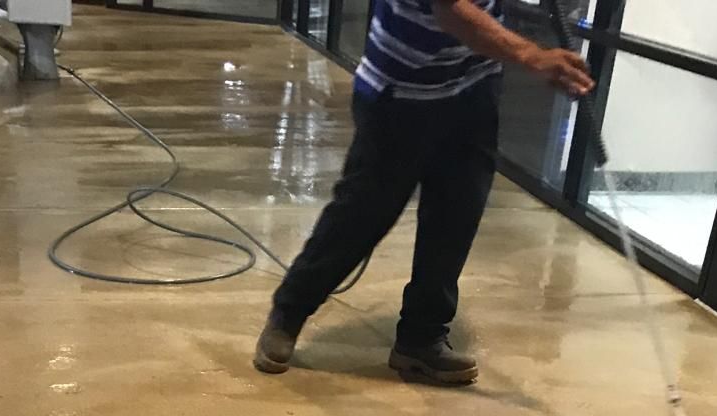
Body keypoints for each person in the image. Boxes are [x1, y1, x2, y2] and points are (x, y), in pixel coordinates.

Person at [254, 0, 593, 385]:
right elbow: (450, 10)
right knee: (361, 215)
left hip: (473, 84)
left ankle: (421, 338)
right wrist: (532, 55)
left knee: (456, 215)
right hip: (400, 90)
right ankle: (289, 312)